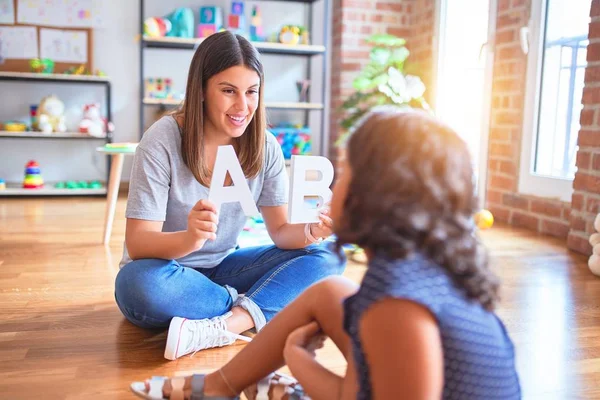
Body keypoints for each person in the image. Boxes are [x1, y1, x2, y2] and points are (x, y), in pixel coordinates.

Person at [130, 109, 521, 399]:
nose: (333, 186)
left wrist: (296, 370)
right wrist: (299, 362)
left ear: (378, 195)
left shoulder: (399, 306)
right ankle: (221, 384)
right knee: (328, 291)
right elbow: (363, 387)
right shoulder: (411, 274)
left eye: (345, 172)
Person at [115, 30, 345, 360]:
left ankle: (228, 323)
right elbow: (138, 243)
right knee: (137, 286)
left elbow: (280, 232)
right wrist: (189, 239)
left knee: (330, 254)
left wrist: (313, 230)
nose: (243, 106)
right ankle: (254, 305)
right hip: (164, 272)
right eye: (228, 91)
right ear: (203, 91)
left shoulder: (264, 145)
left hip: (223, 268)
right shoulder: (162, 139)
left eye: (252, 92)